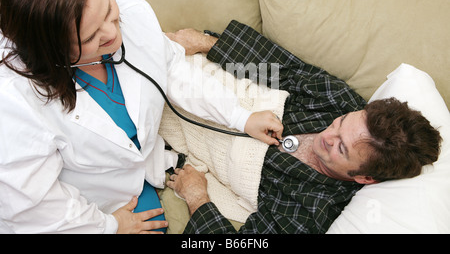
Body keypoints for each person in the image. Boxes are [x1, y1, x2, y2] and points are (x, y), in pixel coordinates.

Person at [0, 0, 283, 234]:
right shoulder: (16, 99)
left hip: (141, 175)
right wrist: (108, 226)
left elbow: (172, 66)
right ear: (51, 51)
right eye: (89, 37)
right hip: (87, 206)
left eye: (110, 12)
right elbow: (31, 205)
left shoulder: (132, 11)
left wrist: (240, 116)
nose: (112, 33)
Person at [165, 20, 442, 234]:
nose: (328, 136)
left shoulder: (312, 210)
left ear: (365, 178)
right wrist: (203, 42)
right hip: (196, 77)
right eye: (341, 124)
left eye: (341, 148)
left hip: (173, 136)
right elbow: (280, 68)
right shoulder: (339, 101)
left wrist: (197, 197)